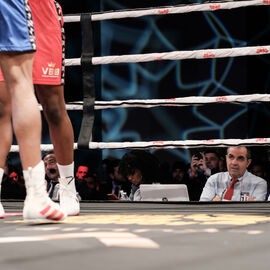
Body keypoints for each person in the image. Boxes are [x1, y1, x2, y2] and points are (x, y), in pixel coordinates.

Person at [0, 0, 79, 216]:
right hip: (10, 8)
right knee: (2, 107)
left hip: (40, 13)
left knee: (53, 107)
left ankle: (67, 187)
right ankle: (34, 195)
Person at [200, 146, 267, 201]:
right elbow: (203, 208)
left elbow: (253, 212)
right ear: (226, 158)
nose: (234, 163)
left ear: (248, 162)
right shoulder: (214, 179)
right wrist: (244, 206)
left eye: (240, 158)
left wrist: (219, 204)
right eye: (231, 157)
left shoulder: (259, 183)